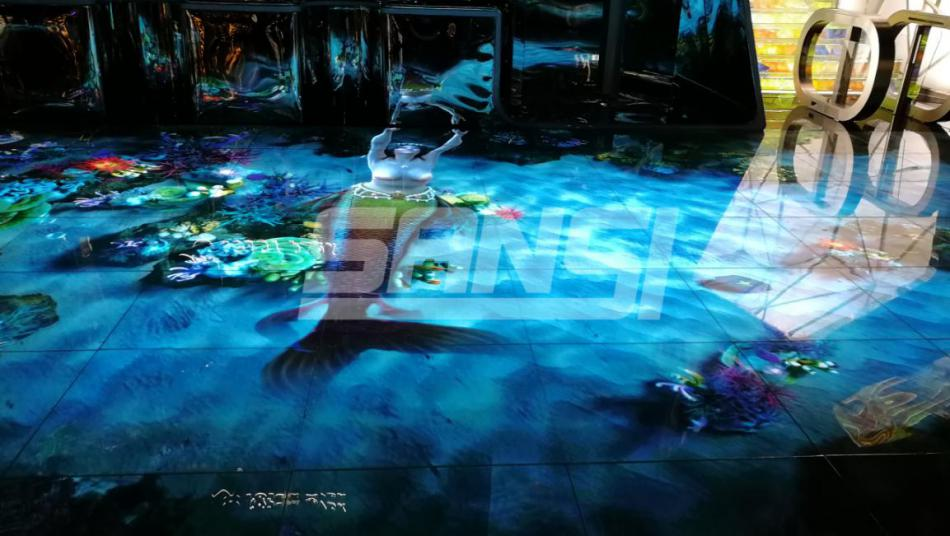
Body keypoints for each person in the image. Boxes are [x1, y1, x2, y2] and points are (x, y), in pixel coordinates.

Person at [364, 127, 465, 196]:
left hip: (420, 200)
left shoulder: (426, 161)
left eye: (412, 147)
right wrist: (387, 132)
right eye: (403, 146)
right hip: (375, 196)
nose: (408, 147)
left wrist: (458, 135)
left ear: (418, 151)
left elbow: (445, 147)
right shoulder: (378, 160)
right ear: (394, 150)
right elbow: (377, 145)